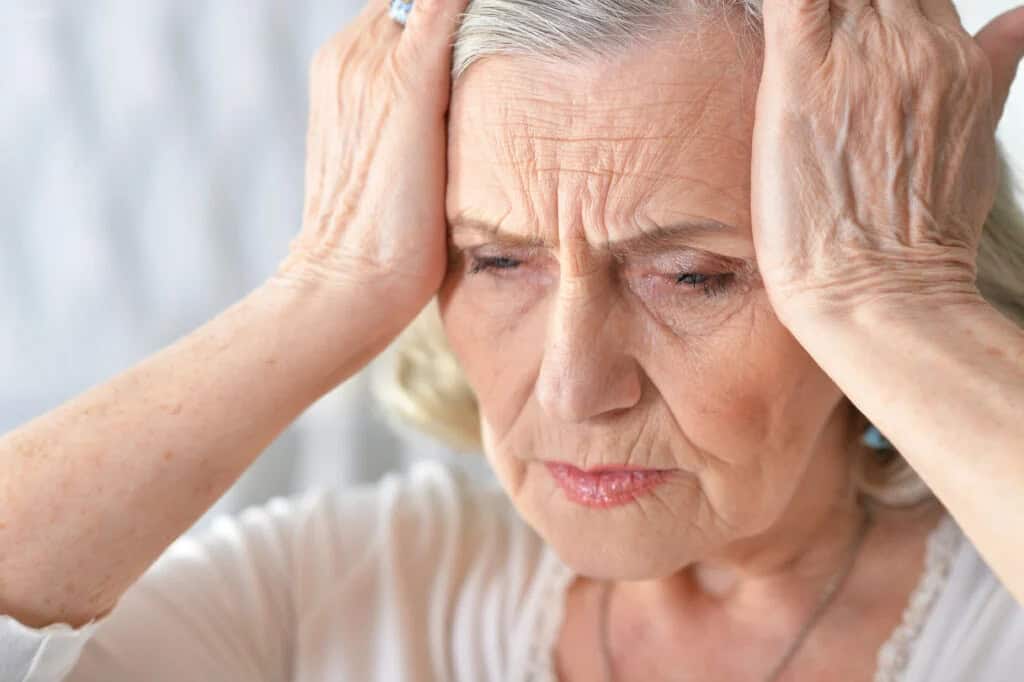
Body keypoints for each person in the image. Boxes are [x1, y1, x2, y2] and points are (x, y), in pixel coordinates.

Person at [3, 0, 1024, 679]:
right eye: (496, 260)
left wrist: (895, 297)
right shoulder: (348, 591)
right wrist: (324, 283)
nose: (575, 386)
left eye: (692, 275)